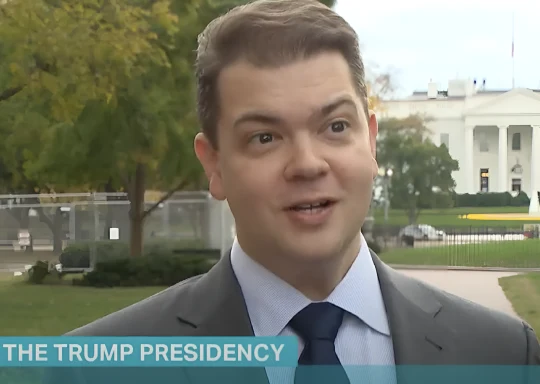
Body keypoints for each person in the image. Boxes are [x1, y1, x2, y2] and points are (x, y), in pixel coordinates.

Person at [55, 0, 540, 382]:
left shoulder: (502, 353)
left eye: (334, 126)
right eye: (265, 137)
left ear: (370, 141)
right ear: (215, 164)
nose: (308, 164)